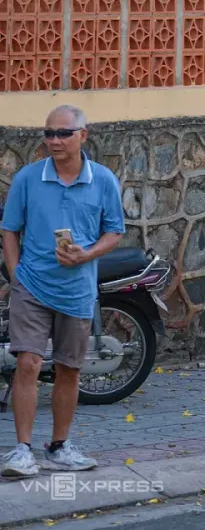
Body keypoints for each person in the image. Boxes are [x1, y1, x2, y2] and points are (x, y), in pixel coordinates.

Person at [0, 104, 125, 479]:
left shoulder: (102, 180)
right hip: (32, 287)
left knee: (69, 369)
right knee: (28, 364)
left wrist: (87, 254)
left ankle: (59, 446)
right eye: (49, 133)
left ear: (82, 135)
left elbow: (114, 231)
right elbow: (9, 229)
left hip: (77, 290)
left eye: (63, 133)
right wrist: (16, 273)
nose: (54, 140)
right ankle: (21, 450)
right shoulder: (28, 178)